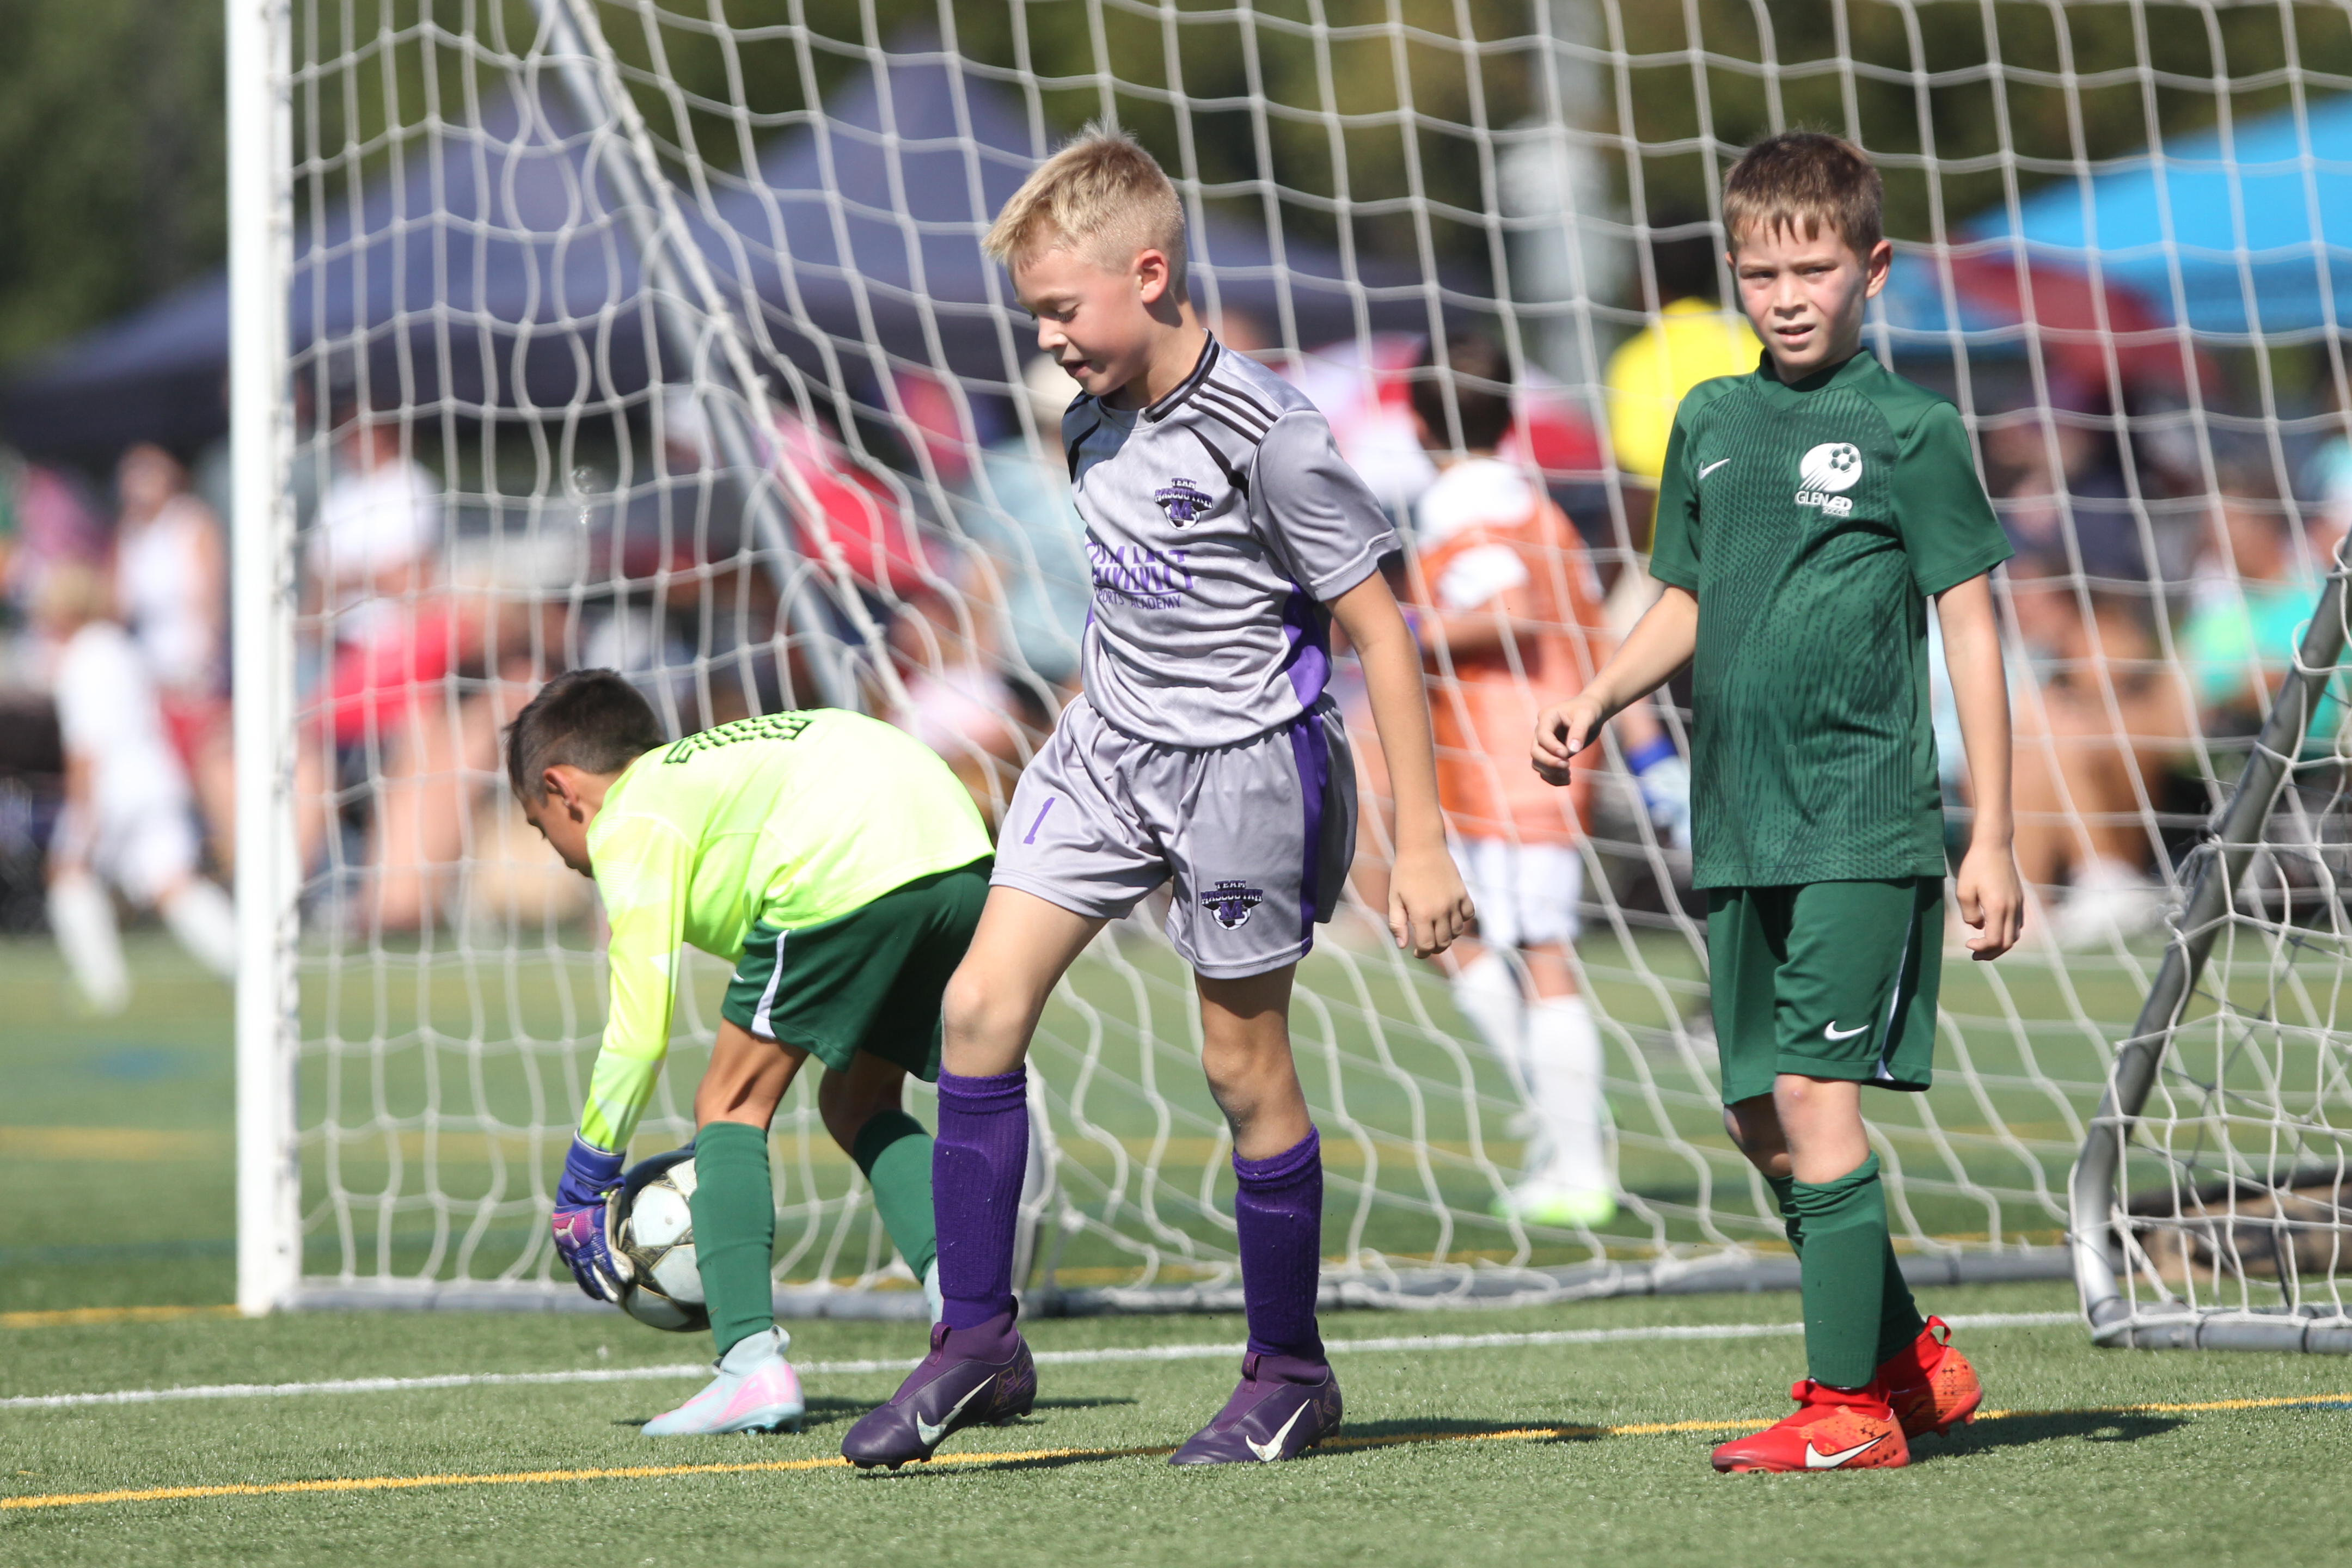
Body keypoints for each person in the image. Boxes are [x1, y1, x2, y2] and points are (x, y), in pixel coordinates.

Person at [840, 125, 1473, 1471]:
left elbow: (1382, 630)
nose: (1050, 339)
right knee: (976, 1008)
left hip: (1245, 772)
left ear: (1150, 273)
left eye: (1063, 310)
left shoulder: (1270, 435)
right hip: (1104, 750)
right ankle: (975, 1339)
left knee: (1242, 1068)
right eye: (1035, 314)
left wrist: (1421, 845)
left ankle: (1290, 1372)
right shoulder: (1086, 422)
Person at [1535, 131, 2022, 1473]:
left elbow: (1972, 631)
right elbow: (1685, 596)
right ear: (1733, 276)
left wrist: (1991, 833)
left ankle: (1848, 1410)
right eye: (1763, 274)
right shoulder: (1709, 420)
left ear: (1873, 267)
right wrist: (1599, 693)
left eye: (1814, 270)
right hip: (1739, 823)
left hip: (1862, 820)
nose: (1789, 296)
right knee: (1756, 1112)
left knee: (1812, 1094)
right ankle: (1911, 1360)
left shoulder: (1914, 431)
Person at [516, 670, 994, 1436]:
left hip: (842, 859)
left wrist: (586, 1177)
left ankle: (749, 1366)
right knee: (858, 1100)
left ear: (562, 789)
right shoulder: (699, 776)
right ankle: (969, 1321)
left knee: (729, 1103)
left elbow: (639, 1033)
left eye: (543, 829)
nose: (562, 855)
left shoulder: (628, 815)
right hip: (959, 848)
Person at [1404, 330, 1689, 1229]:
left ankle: (1577, 1154)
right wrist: (1647, 752)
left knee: (1529, 953)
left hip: (1510, 756)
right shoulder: (1536, 504)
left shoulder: (1461, 504)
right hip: (1530, 752)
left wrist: (1396, 631)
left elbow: (1512, 608)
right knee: (1457, 938)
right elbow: (1589, 630)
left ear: (1417, 423)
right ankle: (1564, 1120)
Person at [36, 565, 236, 1012]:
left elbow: (87, 746)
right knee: (173, 883)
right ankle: (241, 960)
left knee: (68, 874)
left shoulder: (81, 660)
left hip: (114, 788)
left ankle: (102, 984)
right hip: (156, 778)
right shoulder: (121, 646)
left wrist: (82, 811)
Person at [112, 444, 234, 869]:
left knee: (207, 768)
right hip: (149, 677)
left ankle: (231, 857)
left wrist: (205, 667)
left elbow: (210, 601)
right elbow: (119, 607)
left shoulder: (192, 523)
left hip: (194, 673)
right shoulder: (131, 532)